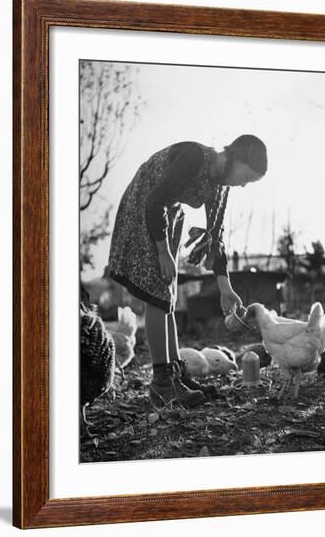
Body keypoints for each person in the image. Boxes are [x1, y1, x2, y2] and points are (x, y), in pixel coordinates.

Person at [107, 134, 268, 408]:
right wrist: (162, 251)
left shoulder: (220, 186)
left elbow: (215, 236)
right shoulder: (195, 157)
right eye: (247, 176)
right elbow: (155, 200)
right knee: (158, 295)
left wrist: (225, 286)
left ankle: (176, 374)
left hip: (167, 216)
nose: (243, 184)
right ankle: (161, 384)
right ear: (237, 157)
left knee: (168, 296)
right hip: (145, 207)